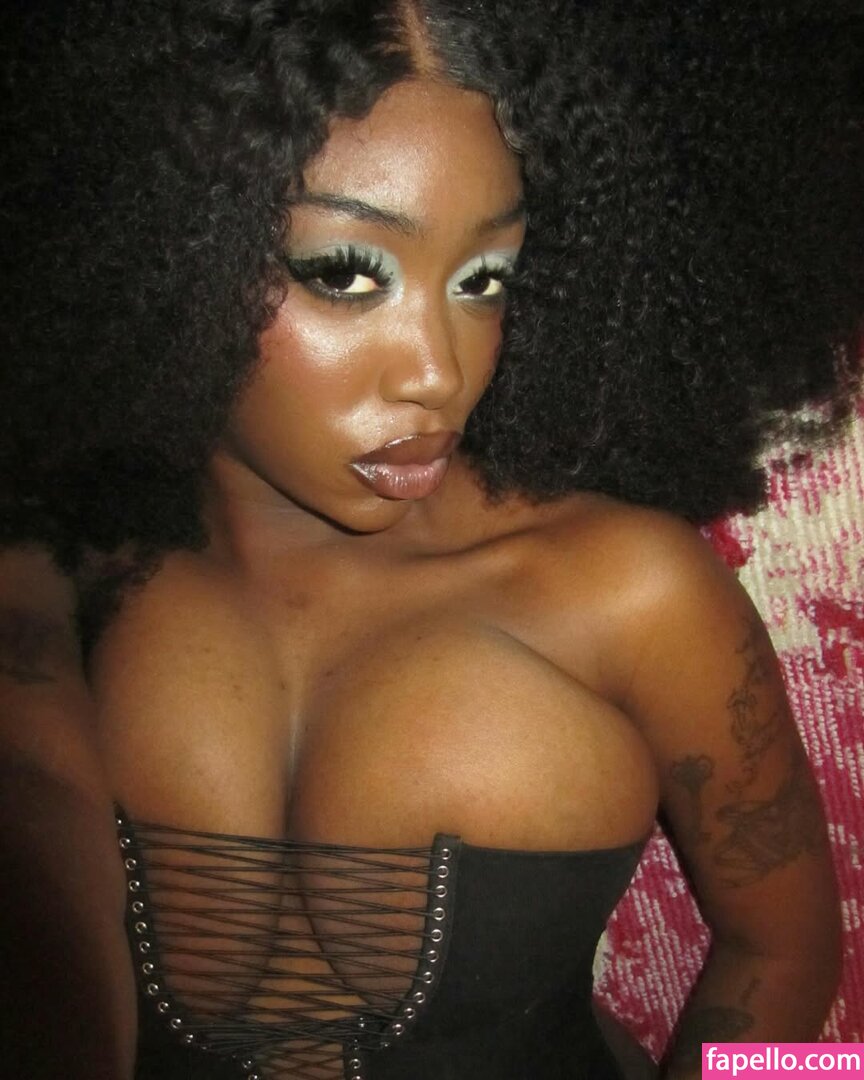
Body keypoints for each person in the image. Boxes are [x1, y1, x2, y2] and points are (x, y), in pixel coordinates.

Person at [1, 1, 862, 1077]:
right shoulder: (65, 563)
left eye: (483, 280)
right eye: (346, 272)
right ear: (163, 250)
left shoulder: (632, 591)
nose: (439, 372)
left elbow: (790, 954)